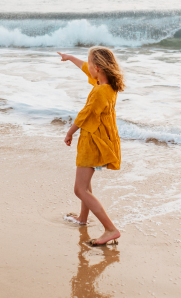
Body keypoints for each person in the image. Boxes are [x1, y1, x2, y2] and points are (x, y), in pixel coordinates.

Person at [57, 47, 124, 246]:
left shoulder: (100, 92)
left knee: (80, 189)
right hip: (99, 139)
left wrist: (69, 132)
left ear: (98, 68)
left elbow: (85, 115)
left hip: (92, 141)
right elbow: (86, 67)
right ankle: (82, 218)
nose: (88, 68)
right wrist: (70, 59)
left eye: (90, 65)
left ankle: (110, 228)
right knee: (85, 185)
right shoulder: (108, 85)